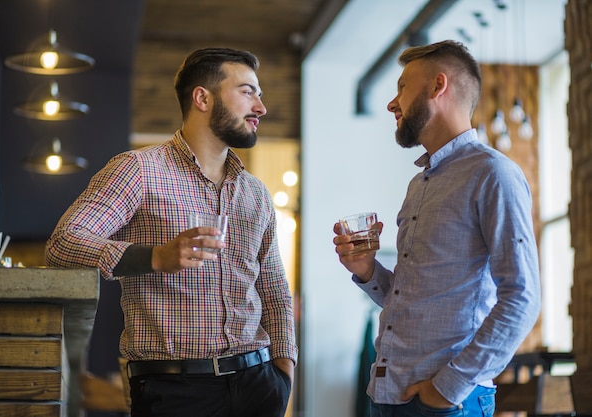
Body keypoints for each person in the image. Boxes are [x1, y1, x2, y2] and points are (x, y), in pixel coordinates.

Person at [46, 47, 298, 417]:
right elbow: (63, 243)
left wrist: (283, 372)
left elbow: (275, 290)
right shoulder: (138, 170)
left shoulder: (255, 192)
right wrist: (155, 256)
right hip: (175, 392)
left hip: (259, 386)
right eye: (248, 92)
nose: (260, 107)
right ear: (202, 97)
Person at [332, 40, 541, 416]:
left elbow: (522, 298)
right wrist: (368, 272)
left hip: (446, 404)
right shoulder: (420, 184)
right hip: (389, 395)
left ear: (437, 86)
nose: (391, 104)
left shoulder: (493, 174)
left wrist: (448, 389)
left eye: (401, 88)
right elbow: (418, 301)